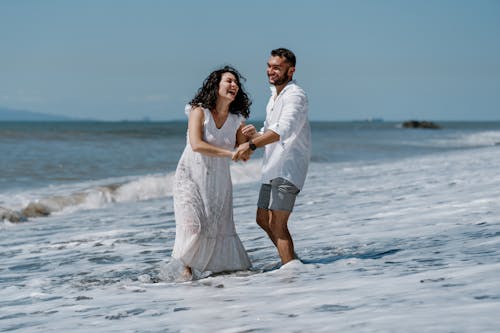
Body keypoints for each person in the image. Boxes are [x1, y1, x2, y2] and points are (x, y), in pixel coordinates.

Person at [171, 65, 252, 280]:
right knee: (194, 226)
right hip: (190, 176)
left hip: (218, 181)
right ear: (216, 86)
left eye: (236, 82)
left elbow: (243, 155)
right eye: (228, 81)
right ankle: (186, 270)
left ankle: (209, 273)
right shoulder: (199, 111)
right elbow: (196, 144)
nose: (233, 85)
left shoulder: (237, 120)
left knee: (215, 227)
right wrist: (229, 153)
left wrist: (251, 138)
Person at [233, 48, 311, 265]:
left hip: (288, 168)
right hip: (272, 168)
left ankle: (291, 271)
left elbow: (281, 131)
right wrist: (254, 135)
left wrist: (250, 145)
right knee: (261, 218)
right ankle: (292, 262)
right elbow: (269, 132)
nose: (270, 71)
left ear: (291, 70)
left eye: (277, 67)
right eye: (269, 66)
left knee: (278, 223)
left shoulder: (295, 95)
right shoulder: (274, 97)